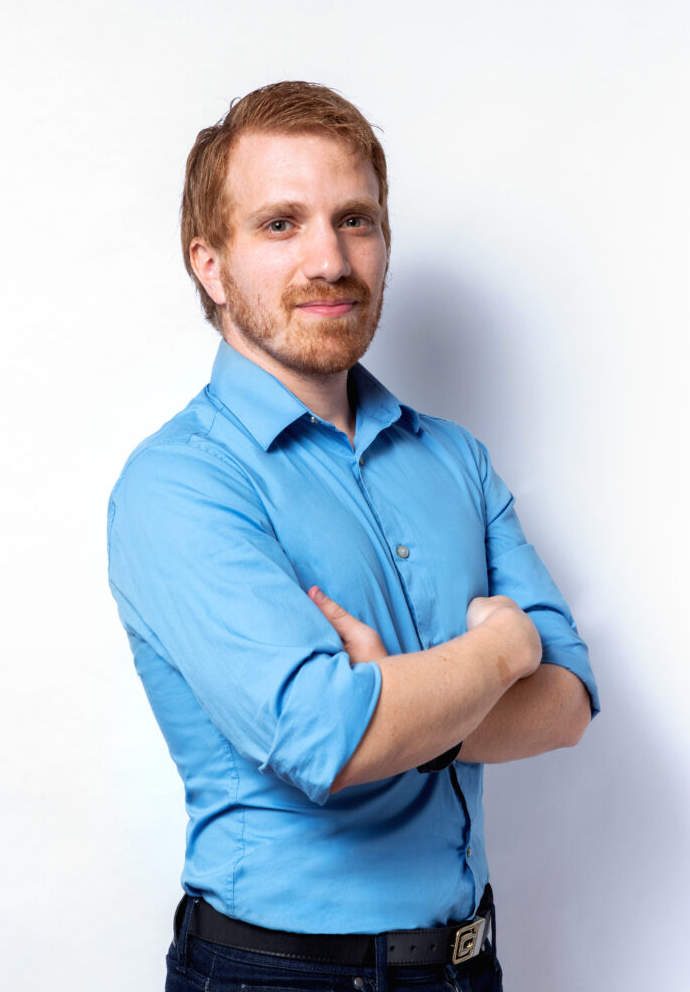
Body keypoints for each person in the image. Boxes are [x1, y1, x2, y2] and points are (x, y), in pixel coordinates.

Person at [107, 80, 599, 992]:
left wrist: (407, 708)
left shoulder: (454, 459)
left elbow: (567, 702)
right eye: (280, 224)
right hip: (276, 975)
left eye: (355, 221)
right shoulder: (179, 484)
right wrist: (500, 652)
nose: (330, 260)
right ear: (210, 264)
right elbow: (326, 741)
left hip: (468, 966)